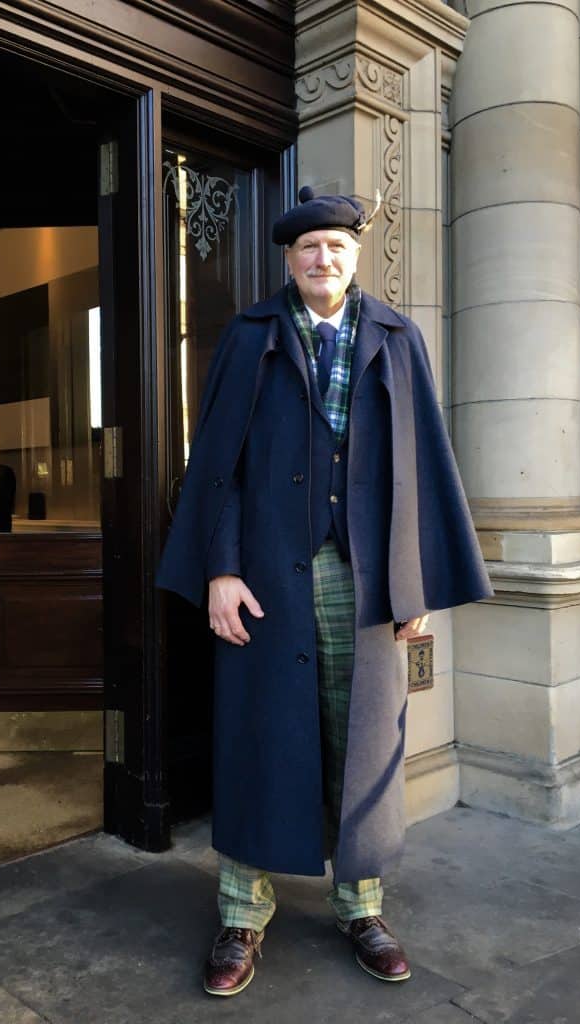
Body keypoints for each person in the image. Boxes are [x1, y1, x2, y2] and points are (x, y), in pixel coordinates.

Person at [156, 186, 492, 996]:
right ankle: (242, 912)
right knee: (259, 737)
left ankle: (361, 907)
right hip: (266, 577)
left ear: (354, 255)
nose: (322, 258)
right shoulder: (249, 337)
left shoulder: (396, 338)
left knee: (364, 745)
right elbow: (220, 468)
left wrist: (412, 578)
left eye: (335, 246)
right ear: (289, 257)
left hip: (366, 577)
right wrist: (221, 569)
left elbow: (420, 469)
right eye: (308, 247)